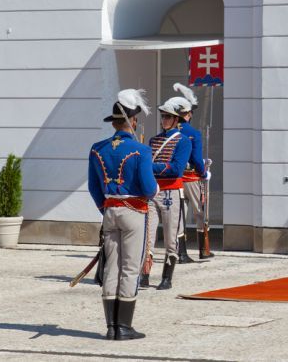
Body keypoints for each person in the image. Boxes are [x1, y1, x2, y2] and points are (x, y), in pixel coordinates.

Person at [88, 89, 158, 340]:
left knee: (112, 268)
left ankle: (110, 327)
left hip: (109, 211)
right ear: (133, 121)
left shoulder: (98, 149)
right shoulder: (141, 151)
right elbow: (149, 189)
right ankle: (124, 327)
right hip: (134, 211)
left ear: (114, 122)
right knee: (130, 268)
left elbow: (94, 187)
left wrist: (105, 208)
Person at [144, 98, 192, 290]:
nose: (164, 119)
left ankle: (167, 277)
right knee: (148, 236)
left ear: (176, 120)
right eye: (163, 116)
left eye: (168, 117)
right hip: (153, 191)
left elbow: (177, 169)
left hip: (171, 192)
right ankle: (144, 274)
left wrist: (151, 166)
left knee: (171, 236)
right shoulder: (153, 140)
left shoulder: (183, 141)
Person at [172, 82, 213, 261]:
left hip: (176, 179)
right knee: (200, 212)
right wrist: (204, 171)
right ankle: (203, 250)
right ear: (188, 114)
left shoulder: (170, 131)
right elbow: (196, 159)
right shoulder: (193, 133)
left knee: (179, 214)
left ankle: (181, 253)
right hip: (192, 178)